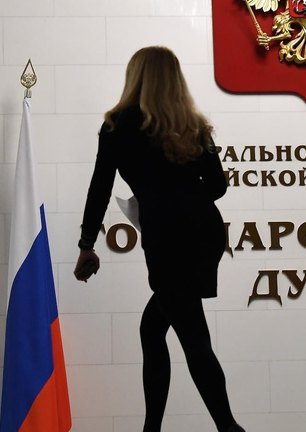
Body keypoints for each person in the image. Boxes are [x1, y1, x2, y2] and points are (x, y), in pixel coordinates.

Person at [74, 46, 245, 432]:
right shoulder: (193, 124)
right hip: (204, 231)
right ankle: (153, 427)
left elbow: (100, 188)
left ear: (135, 77)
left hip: (166, 237)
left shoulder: (117, 125)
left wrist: (87, 244)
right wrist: (182, 193)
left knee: (193, 335)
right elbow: (217, 187)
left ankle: (229, 428)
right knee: (154, 328)